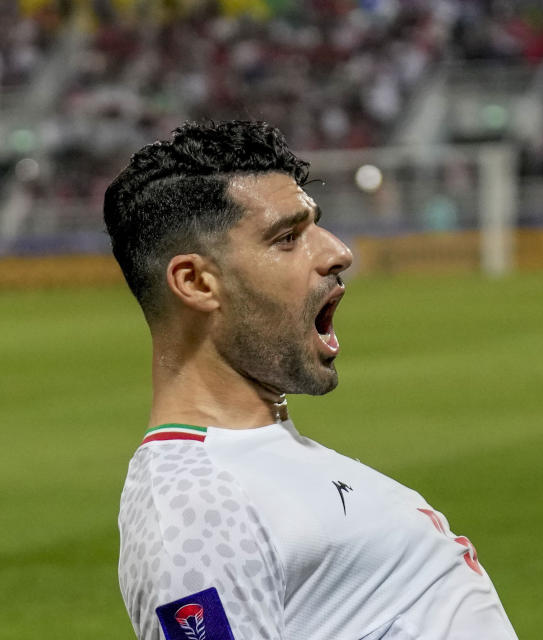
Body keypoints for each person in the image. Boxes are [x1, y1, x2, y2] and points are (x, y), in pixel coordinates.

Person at [104, 120, 519, 640]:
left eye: (314, 226)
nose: (337, 252)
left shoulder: (250, 462)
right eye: (287, 237)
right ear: (196, 282)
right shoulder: (198, 511)